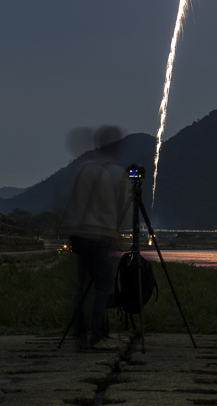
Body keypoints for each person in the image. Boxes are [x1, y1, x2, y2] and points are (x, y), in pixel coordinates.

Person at [61, 124, 132, 351]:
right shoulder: (112, 173)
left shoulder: (82, 170)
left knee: (82, 288)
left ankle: (80, 335)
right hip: (98, 236)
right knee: (104, 285)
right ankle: (98, 335)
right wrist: (115, 234)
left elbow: (71, 202)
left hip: (79, 235)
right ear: (116, 147)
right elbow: (118, 212)